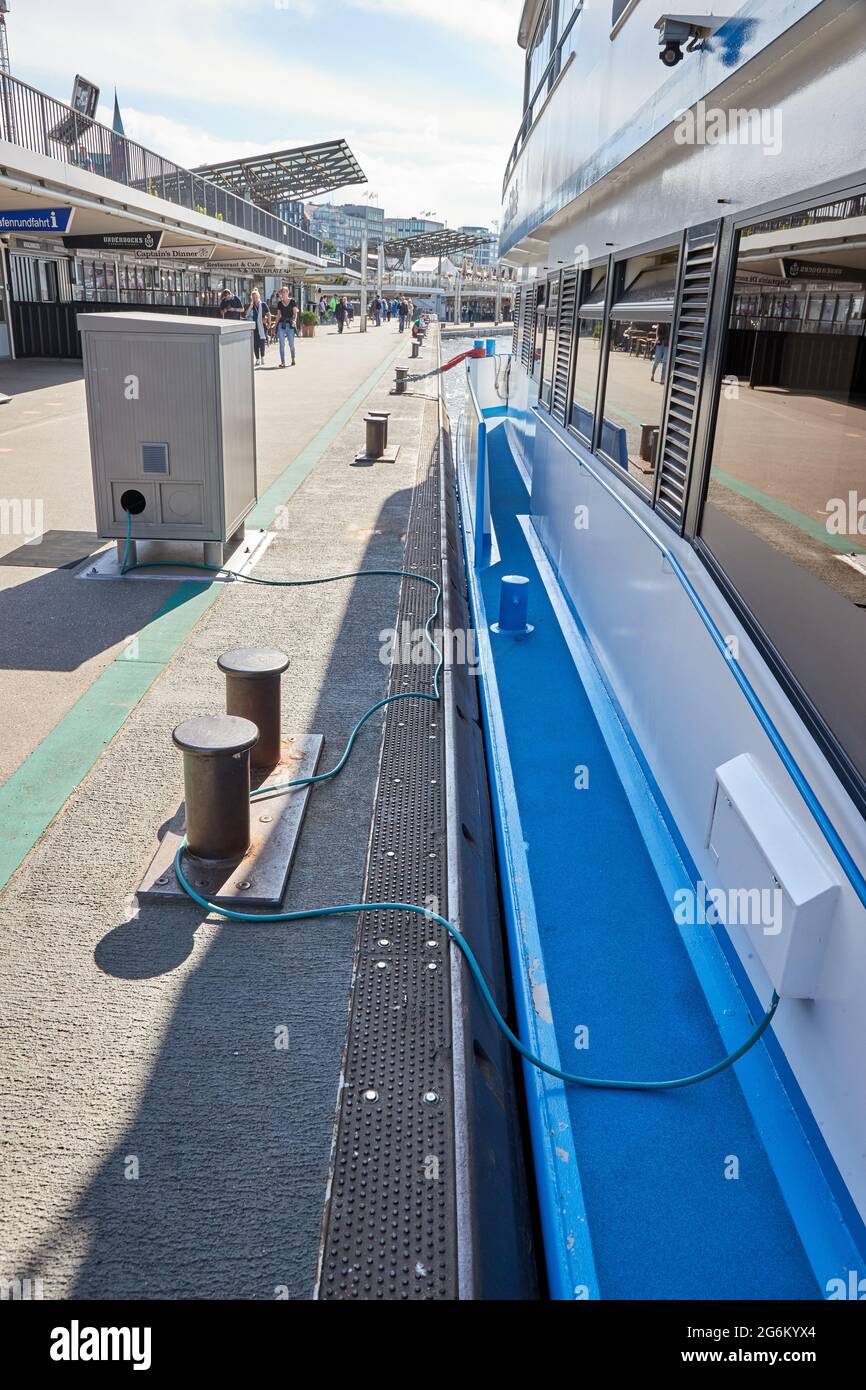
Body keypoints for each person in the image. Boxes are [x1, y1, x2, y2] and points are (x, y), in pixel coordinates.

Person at [272, 287, 298, 367]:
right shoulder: (280, 303)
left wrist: (294, 321)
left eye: (283, 292)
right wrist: (275, 326)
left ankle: (293, 358)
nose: (282, 294)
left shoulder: (292, 301)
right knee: (281, 344)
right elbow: (278, 315)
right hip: (281, 325)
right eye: (281, 292)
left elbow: (295, 313)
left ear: (287, 292)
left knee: (291, 344)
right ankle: (283, 362)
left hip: (290, 324)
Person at [245, 287, 270, 367]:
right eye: (253, 297)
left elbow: (268, 314)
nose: (255, 298)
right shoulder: (251, 305)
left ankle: (262, 357)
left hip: (262, 326)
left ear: (258, 296)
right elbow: (246, 314)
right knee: (255, 344)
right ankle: (257, 359)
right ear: (251, 298)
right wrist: (251, 306)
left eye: (256, 297)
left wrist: (268, 322)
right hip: (253, 327)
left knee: (262, 342)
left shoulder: (263, 304)